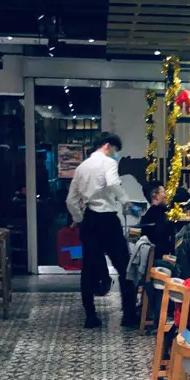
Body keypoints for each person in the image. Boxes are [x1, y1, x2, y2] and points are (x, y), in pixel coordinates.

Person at [66, 131, 139, 329]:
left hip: (90, 221)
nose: (115, 154)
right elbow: (113, 183)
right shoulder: (108, 163)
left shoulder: (81, 167)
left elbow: (71, 200)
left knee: (88, 270)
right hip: (108, 221)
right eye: (115, 149)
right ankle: (129, 315)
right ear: (107, 145)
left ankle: (90, 316)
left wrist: (79, 219)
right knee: (124, 268)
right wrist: (126, 201)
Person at [140, 180, 174, 260]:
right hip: (161, 260)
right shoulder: (162, 214)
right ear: (155, 196)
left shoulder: (148, 215)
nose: (167, 195)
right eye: (164, 192)